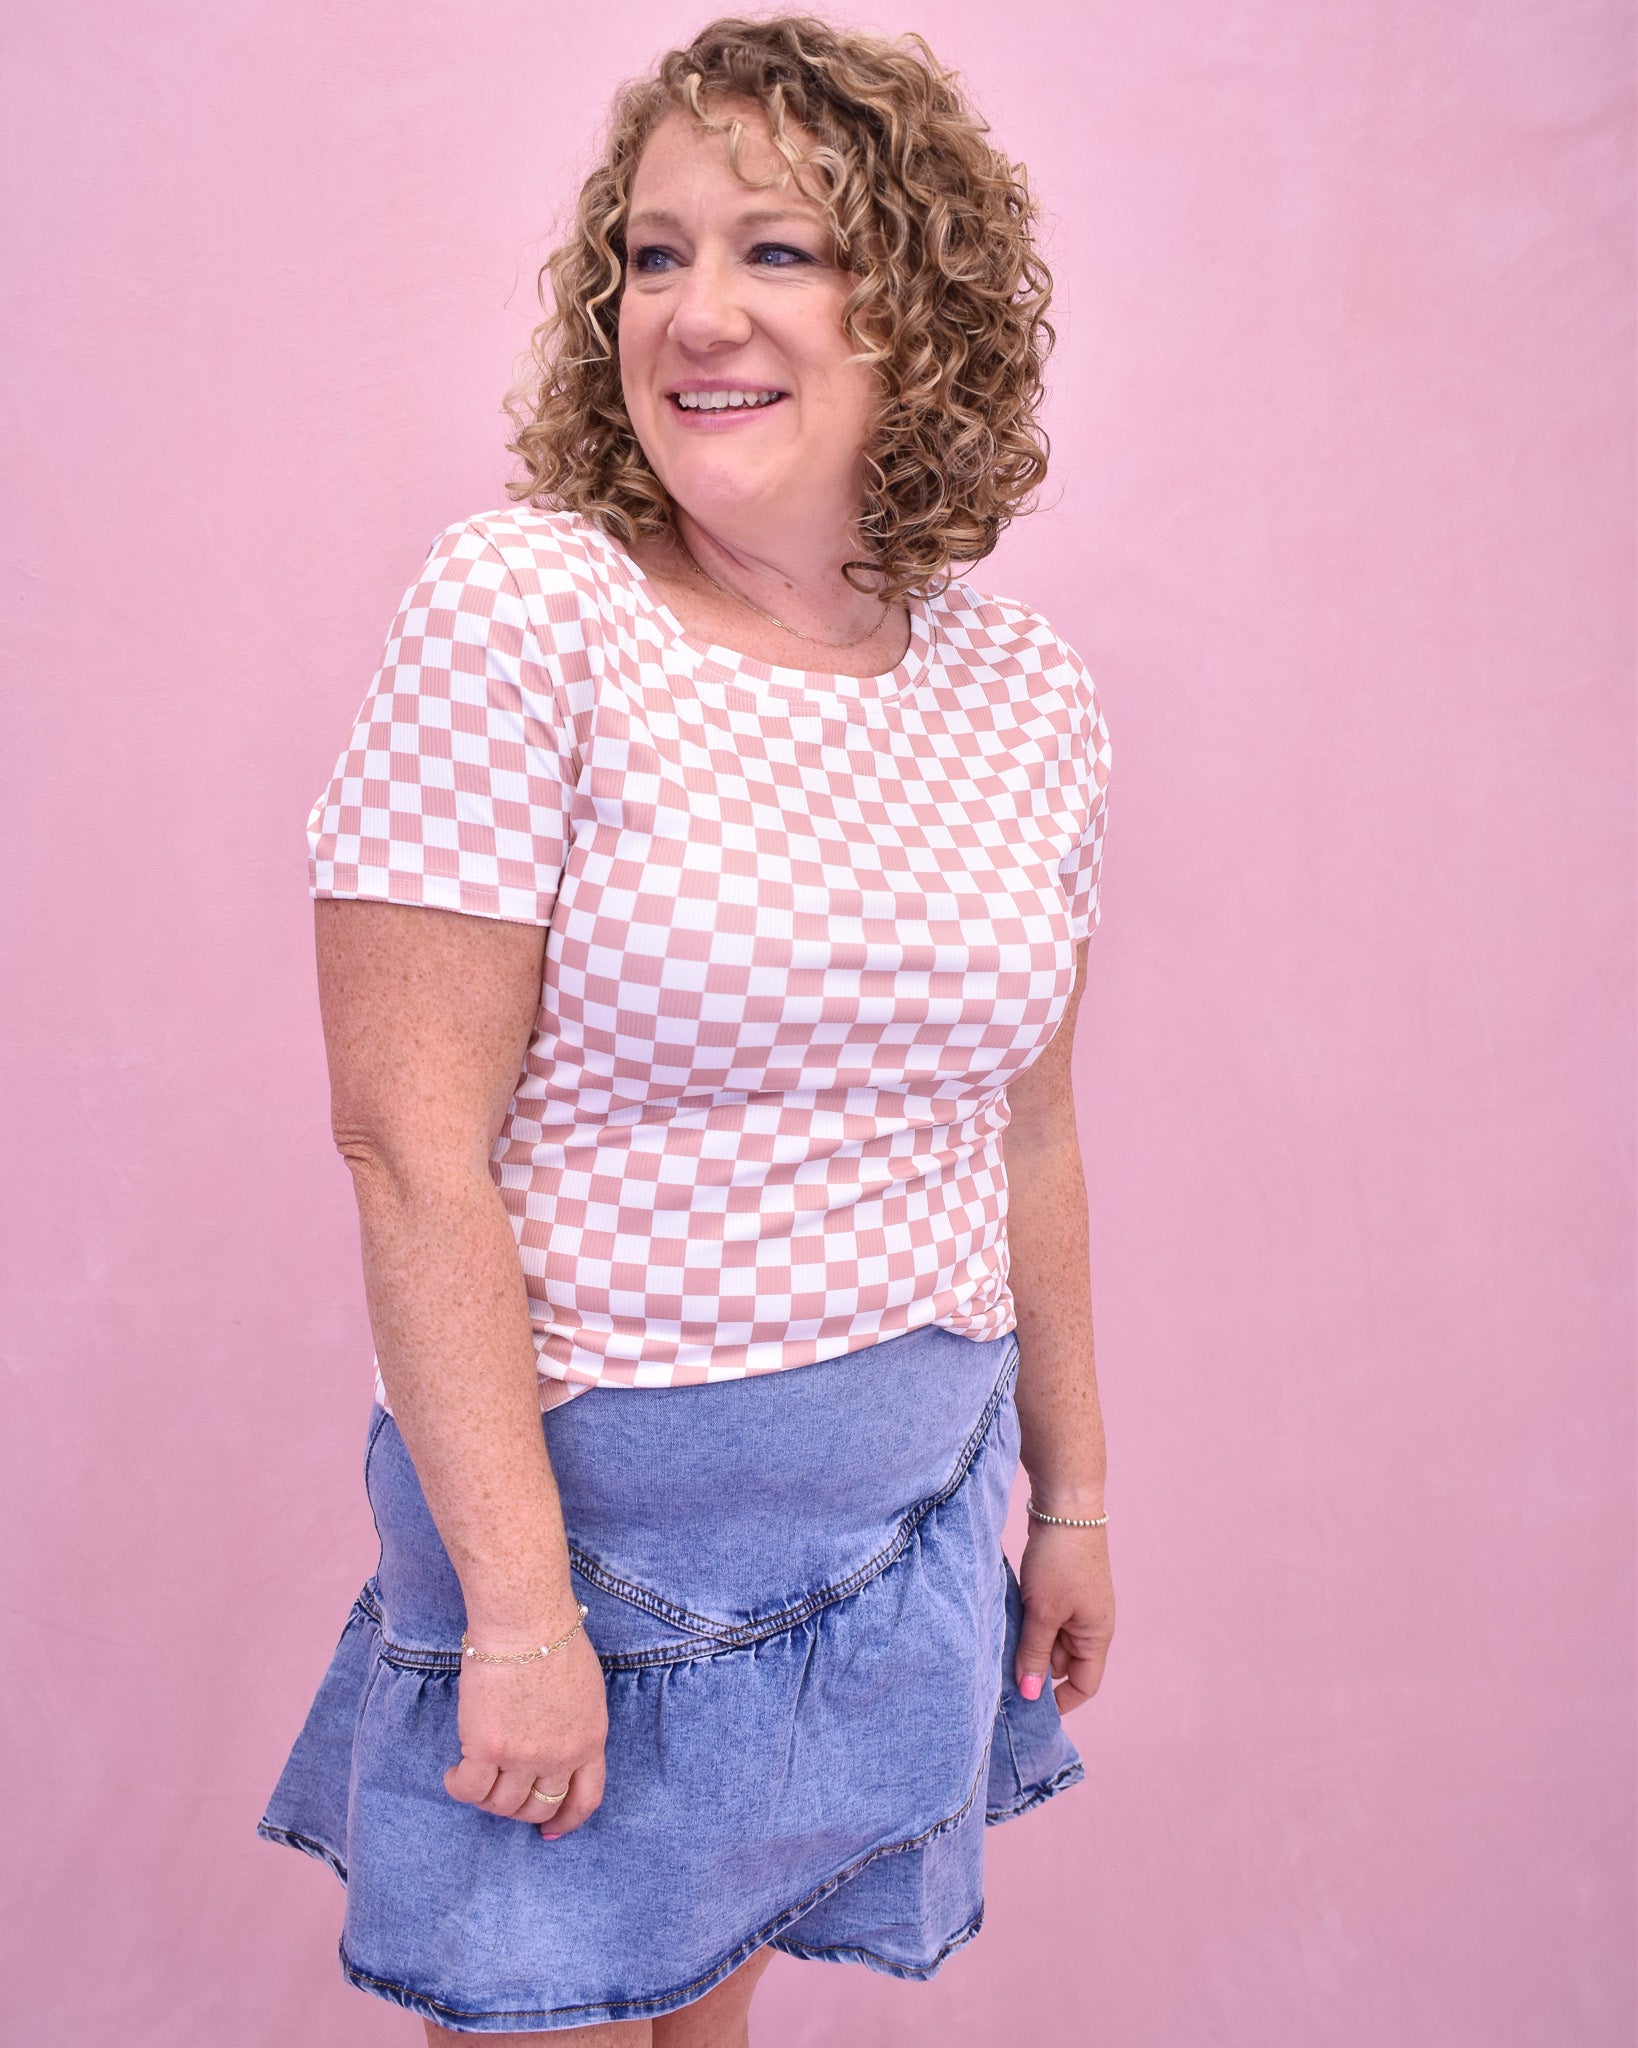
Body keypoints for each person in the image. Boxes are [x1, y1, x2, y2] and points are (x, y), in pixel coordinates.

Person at [259, 16, 1116, 2044]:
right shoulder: (528, 609)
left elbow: (1030, 1131)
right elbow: (409, 1146)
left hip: (901, 1530)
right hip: (593, 1565)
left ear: (916, 307)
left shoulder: (1028, 695)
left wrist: (1070, 1497)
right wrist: (525, 1612)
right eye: (652, 256)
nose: (695, 312)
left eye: (778, 252)